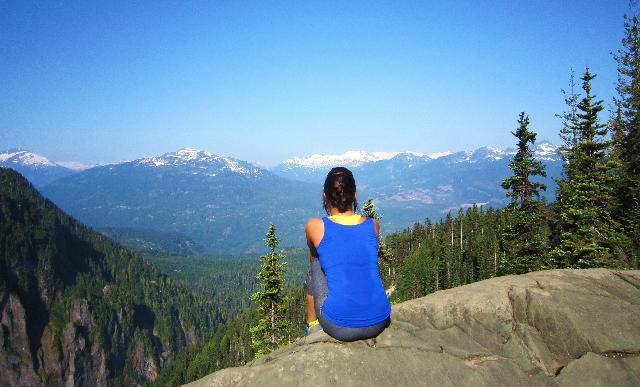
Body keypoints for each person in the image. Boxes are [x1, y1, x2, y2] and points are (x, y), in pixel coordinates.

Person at [304, 167, 391, 341]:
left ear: (325, 196)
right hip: (380, 319)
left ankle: (312, 326)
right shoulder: (373, 224)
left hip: (340, 326)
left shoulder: (315, 226)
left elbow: (314, 258)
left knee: (314, 264)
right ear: (355, 196)